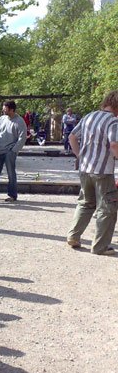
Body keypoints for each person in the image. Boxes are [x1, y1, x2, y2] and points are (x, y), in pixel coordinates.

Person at [66, 91, 118, 255]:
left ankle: (73, 236)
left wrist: (80, 156)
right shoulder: (113, 121)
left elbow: (72, 137)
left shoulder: (89, 116)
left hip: (85, 169)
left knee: (85, 203)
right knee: (107, 208)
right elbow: (114, 144)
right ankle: (100, 246)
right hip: (103, 171)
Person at [0, 101, 27, 202]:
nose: (3, 110)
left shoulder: (20, 121)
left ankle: (12, 195)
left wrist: (14, 150)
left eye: (5, 108)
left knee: (11, 174)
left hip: (10, 151)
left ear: (12, 109)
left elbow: (22, 137)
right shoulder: (1, 119)